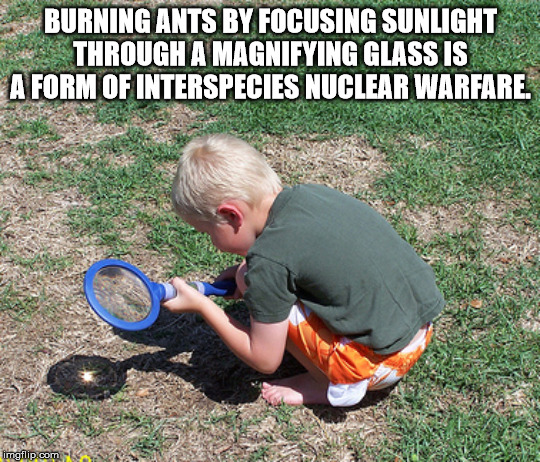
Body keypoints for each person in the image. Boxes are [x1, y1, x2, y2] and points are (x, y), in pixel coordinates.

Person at [163, 134, 445, 407]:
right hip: (420, 328)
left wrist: (203, 307)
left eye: (207, 232)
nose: (212, 243)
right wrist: (246, 274)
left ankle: (325, 382)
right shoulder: (311, 195)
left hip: (378, 364)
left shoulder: (268, 263)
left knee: (253, 281)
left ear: (231, 215)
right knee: (248, 277)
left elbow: (264, 359)